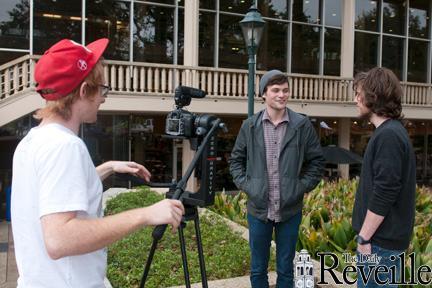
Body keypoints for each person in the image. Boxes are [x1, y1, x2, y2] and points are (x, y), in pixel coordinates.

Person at [11, 38, 185, 288]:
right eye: (101, 89)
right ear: (83, 91)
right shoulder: (65, 146)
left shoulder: (33, 141)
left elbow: (54, 194)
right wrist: (145, 214)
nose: (103, 98)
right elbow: (59, 239)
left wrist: (107, 167)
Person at [229, 70, 324, 288]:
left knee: (285, 269)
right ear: (264, 93)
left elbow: (316, 162)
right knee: (258, 268)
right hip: (258, 210)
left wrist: (299, 187)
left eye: (285, 90)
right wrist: (248, 186)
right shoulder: (250, 126)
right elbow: (236, 161)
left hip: (290, 209)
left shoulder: (301, 125)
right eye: (276, 90)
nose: (282, 94)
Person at [352, 67, 416, 288]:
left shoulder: (389, 135)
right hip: (380, 243)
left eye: (359, 94)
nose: (356, 99)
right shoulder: (390, 132)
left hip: (378, 245)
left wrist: (364, 237)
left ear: (374, 96)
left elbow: (386, 191)